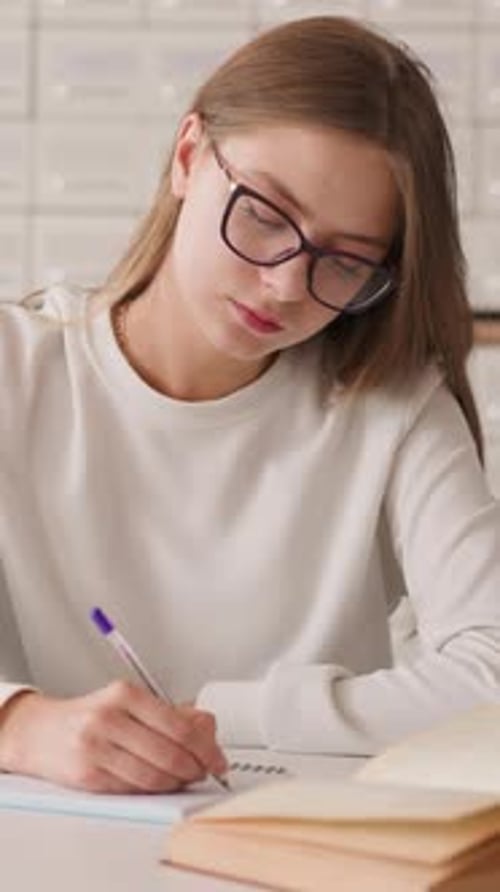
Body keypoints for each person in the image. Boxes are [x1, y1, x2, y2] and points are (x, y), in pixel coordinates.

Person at [1, 15, 499, 796]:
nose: (285, 285)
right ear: (188, 156)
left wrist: (218, 713)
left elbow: (492, 676)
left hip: (296, 845)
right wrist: (19, 723)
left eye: (346, 261)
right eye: (264, 216)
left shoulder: (392, 404)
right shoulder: (16, 370)